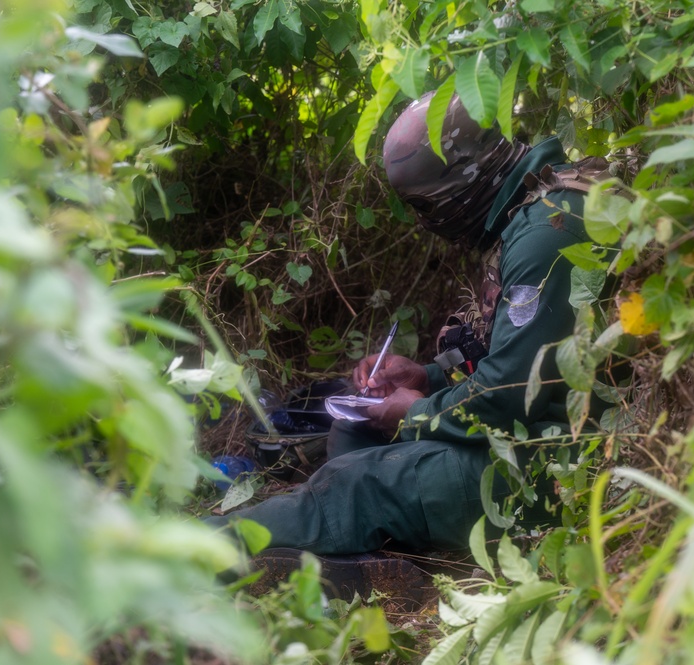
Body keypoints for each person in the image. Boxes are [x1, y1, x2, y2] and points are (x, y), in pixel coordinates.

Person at [207, 92, 612, 599]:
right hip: (546, 431)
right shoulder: (538, 207)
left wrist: (417, 412)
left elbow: (512, 392)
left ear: (464, 181)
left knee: (359, 482)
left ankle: (196, 551)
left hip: (566, 467)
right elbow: (531, 358)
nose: (424, 221)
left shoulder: (544, 232)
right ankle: (356, 543)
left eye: (426, 205)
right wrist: (428, 379)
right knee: (355, 439)